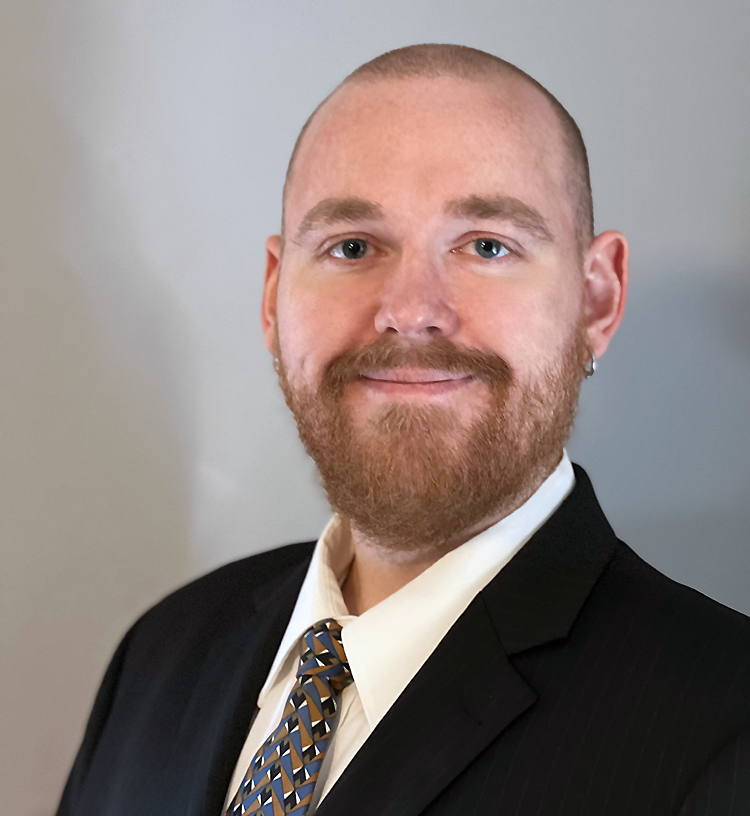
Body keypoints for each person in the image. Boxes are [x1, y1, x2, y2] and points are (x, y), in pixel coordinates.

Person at [56, 44, 750, 816]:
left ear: (596, 301)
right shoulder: (159, 658)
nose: (412, 308)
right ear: (274, 296)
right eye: (352, 247)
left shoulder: (724, 728)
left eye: (488, 245)